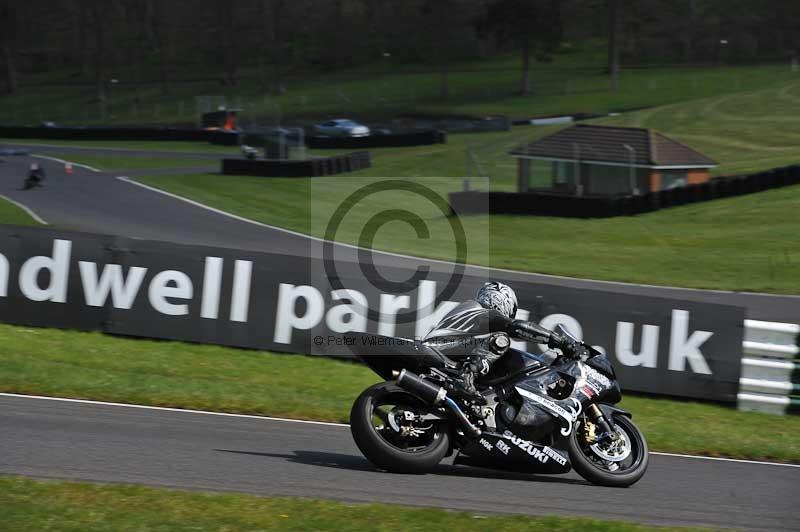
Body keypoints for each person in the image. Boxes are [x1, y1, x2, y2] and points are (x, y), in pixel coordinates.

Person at [422, 281, 579, 402]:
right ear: (503, 301)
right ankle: (465, 378)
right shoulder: (480, 310)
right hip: (438, 351)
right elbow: (515, 327)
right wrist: (557, 340)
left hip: (441, 351)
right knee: (500, 339)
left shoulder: (469, 312)